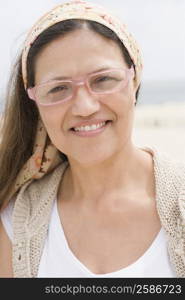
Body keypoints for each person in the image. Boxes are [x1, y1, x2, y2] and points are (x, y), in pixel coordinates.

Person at [0, 0, 185, 278]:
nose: (85, 107)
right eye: (58, 88)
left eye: (103, 80)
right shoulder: (16, 221)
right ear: (34, 100)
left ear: (134, 80)